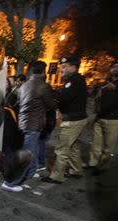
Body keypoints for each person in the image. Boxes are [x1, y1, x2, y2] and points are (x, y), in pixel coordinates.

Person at [2, 61, 56, 192]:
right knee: (26, 154)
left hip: (23, 123)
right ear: (43, 71)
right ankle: (10, 183)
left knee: (29, 151)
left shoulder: (24, 85)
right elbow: (51, 105)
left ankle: (30, 173)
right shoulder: (43, 86)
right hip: (34, 124)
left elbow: (21, 102)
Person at [42, 56, 88, 184]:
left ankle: (56, 176)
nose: (61, 69)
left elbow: (63, 98)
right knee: (73, 147)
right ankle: (76, 170)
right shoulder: (75, 80)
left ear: (73, 67)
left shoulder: (74, 80)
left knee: (62, 150)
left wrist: (51, 92)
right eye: (61, 66)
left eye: (65, 66)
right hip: (78, 119)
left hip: (72, 120)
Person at [88, 58, 118, 173]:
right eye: (113, 66)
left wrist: (115, 88)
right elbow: (97, 97)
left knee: (108, 147)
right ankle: (93, 164)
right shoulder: (106, 81)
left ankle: (101, 166)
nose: (115, 69)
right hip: (100, 117)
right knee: (95, 144)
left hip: (114, 118)